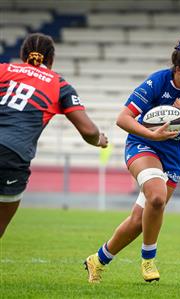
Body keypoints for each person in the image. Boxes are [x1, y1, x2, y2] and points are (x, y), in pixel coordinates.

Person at [84, 37, 180, 283]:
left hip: (174, 155)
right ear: (177, 70)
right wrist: (151, 133)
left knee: (140, 219)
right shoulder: (157, 81)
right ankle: (148, 259)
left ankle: (97, 260)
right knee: (157, 197)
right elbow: (123, 118)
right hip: (143, 144)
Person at [0, 33, 108, 238]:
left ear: (23, 55)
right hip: (13, 156)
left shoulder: (3, 69)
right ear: (51, 59)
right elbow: (88, 131)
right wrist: (99, 140)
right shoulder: (59, 85)